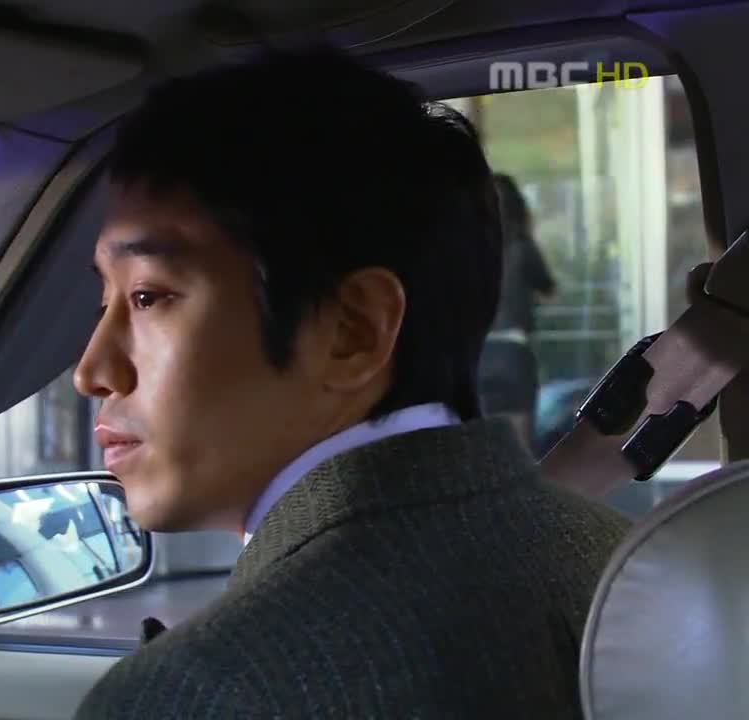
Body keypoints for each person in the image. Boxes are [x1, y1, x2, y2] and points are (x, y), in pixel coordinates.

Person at [71, 47, 629, 719]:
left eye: (148, 297)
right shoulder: (625, 565)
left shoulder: (201, 691)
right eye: (106, 301)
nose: (92, 371)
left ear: (351, 332)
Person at [479, 173, 557, 452]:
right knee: (521, 449)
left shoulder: (470, 251)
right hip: (514, 353)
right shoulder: (523, 246)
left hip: (478, 356)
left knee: (484, 447)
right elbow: (549, 289)